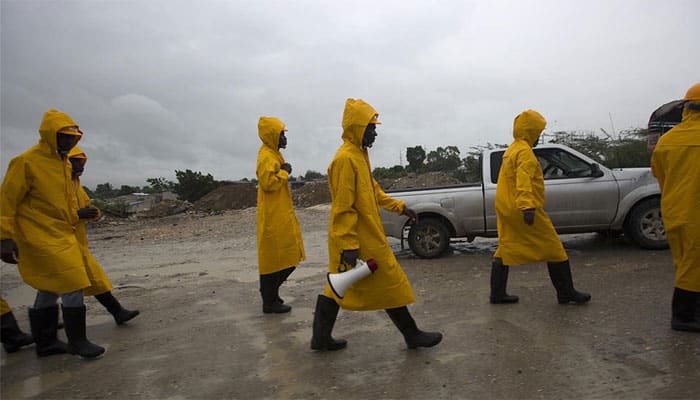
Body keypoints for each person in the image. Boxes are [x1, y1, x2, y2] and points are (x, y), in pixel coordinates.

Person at [310, 98, 442, 351]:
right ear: (358, 127)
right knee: (387, 279)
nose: (375, 132)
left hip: (365, 234)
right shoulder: (345, 160)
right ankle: (412, 334)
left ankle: (320, 338)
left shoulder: (359, 155)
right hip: (357, 238)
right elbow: (343, 207)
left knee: (338, 286)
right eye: (371, 127)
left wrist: (400, 208)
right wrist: (348, 243)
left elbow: (375, 191)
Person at [0, 108, 105, 359]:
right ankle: (78, 341)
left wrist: (83, 214)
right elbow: (7, 201)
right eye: (64, 136)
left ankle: (45, 343)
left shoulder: (64, 165)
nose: (69, 142)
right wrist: (4, 237)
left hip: (61, 233)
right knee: (74, 281)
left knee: (49, 285)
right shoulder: (25, 162)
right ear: (50, 135)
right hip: (36, 235)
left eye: (73, 138)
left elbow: (67, 205)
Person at [489, 109, 591, 305]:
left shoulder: (511, 150)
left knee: (505, 248)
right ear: (531, 132)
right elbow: (523, 180)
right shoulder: (525, 152)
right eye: (538, 132)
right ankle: (566, 292)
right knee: (554, 248)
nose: (538, 137)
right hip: (522, 208)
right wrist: (528, 207)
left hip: (507, 208)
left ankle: (497, 294)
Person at [68, 147, 140, 325]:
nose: (80, 165)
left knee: (94, 278)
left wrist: (94, 213)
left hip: (76, 242)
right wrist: (76, 215)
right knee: (60, 285)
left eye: (81, 161)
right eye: (75, 161)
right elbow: (45, 213)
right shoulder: (55, 184)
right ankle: (54, 334)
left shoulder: (76, 185)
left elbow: (88, 206)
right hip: (55, 241)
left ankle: (118, 312)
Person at [650, 82, 700, 332]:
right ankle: (682, 316)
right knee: (693, 264)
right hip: (696, 214)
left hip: (673, 211)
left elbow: (659, 174)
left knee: (685, 262)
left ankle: (692, 311)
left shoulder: (667, 140)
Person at [255, 116, 305, 314]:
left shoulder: (273, 154)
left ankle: (271, 296)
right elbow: (268, 184)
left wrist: (283, 170)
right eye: (282, 134)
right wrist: (285, 172)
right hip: (273, 216)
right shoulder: (267, 156)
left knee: (284, 257)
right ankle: (269, 299)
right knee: (277, 259)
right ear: (272, 135)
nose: (285, 138)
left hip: (279, 213)